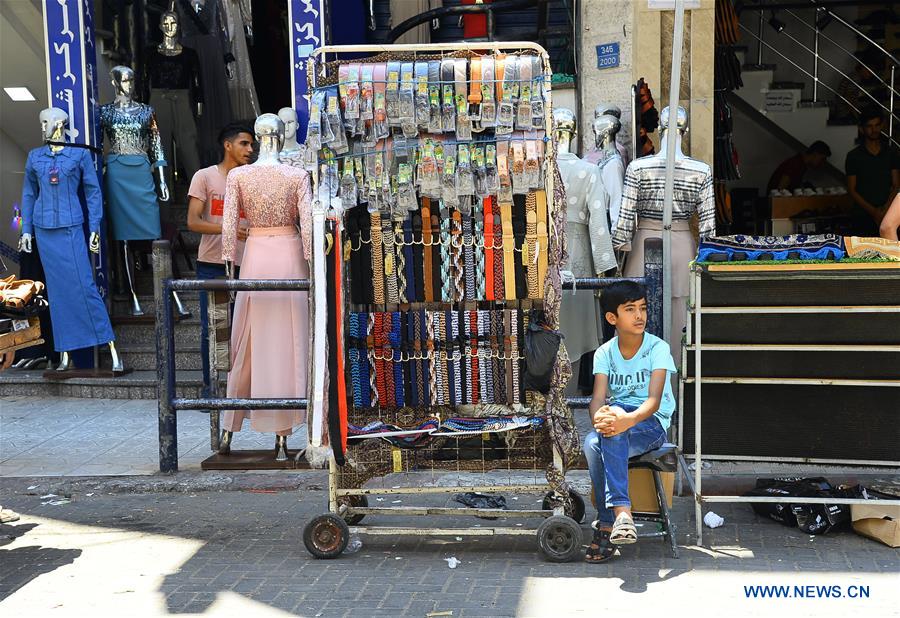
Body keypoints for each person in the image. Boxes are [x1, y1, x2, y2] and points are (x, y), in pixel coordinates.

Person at [582, 281, 677, 563]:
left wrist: (626, 420)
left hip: (650, 423)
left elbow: (654, 402)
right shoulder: (604, 353)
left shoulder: (658, 348)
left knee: (605, 436)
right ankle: (619, 519)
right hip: (620, 418)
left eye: (643, 309)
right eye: (630, 310)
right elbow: (597, 399)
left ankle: (613, 518)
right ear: (612, 318)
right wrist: (601, 418)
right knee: (592, 442)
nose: (640, 316)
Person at [187, 122, 254, 399]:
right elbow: (192, 222)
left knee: (246, 327)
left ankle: (241, 389)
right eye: (244, 144)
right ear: (228, 145)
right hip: (212, 261)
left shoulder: (252, 178)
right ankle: (210, 388)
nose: (250, 150)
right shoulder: (204, 177)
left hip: (248, 261)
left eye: (252, 145)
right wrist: (228, 229)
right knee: (213, 328)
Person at [846, 108, 900, 235]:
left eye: (877, 125)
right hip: (862, 215)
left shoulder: (891, 153)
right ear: (862, 129)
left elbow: (896, 185)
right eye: (869, 126)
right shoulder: (853, 156)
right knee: (861, 254)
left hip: (889, 213)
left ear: (882, 126)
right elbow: (852, 190)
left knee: (890, 253)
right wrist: (874, 212)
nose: (874, 130)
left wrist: (886, 209)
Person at [832, 49, 887, 125]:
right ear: (863, 68)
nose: (871, 74)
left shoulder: (854, 76)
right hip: (845, 115)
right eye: (869, 71)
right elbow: (849, 100)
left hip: (843, 112)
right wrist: (858, 117)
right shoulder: (855, 78)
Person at [766, 141, 831, 193]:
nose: (822, 163)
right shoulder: (795, 163)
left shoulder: (801, 164)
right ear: (815, 154)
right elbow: (780, 189)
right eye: (822, 159)